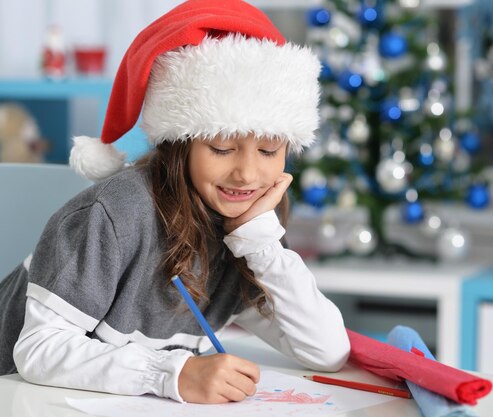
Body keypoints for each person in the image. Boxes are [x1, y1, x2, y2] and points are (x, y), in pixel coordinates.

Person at [0, 0, 350, 404]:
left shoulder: (245, 231)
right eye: (222, 147)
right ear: (179, 145)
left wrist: (263, 245)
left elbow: (326, 351)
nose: (249, 175)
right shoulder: (118, 213)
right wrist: (170, 373)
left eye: (270, 151)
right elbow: (37, 350)